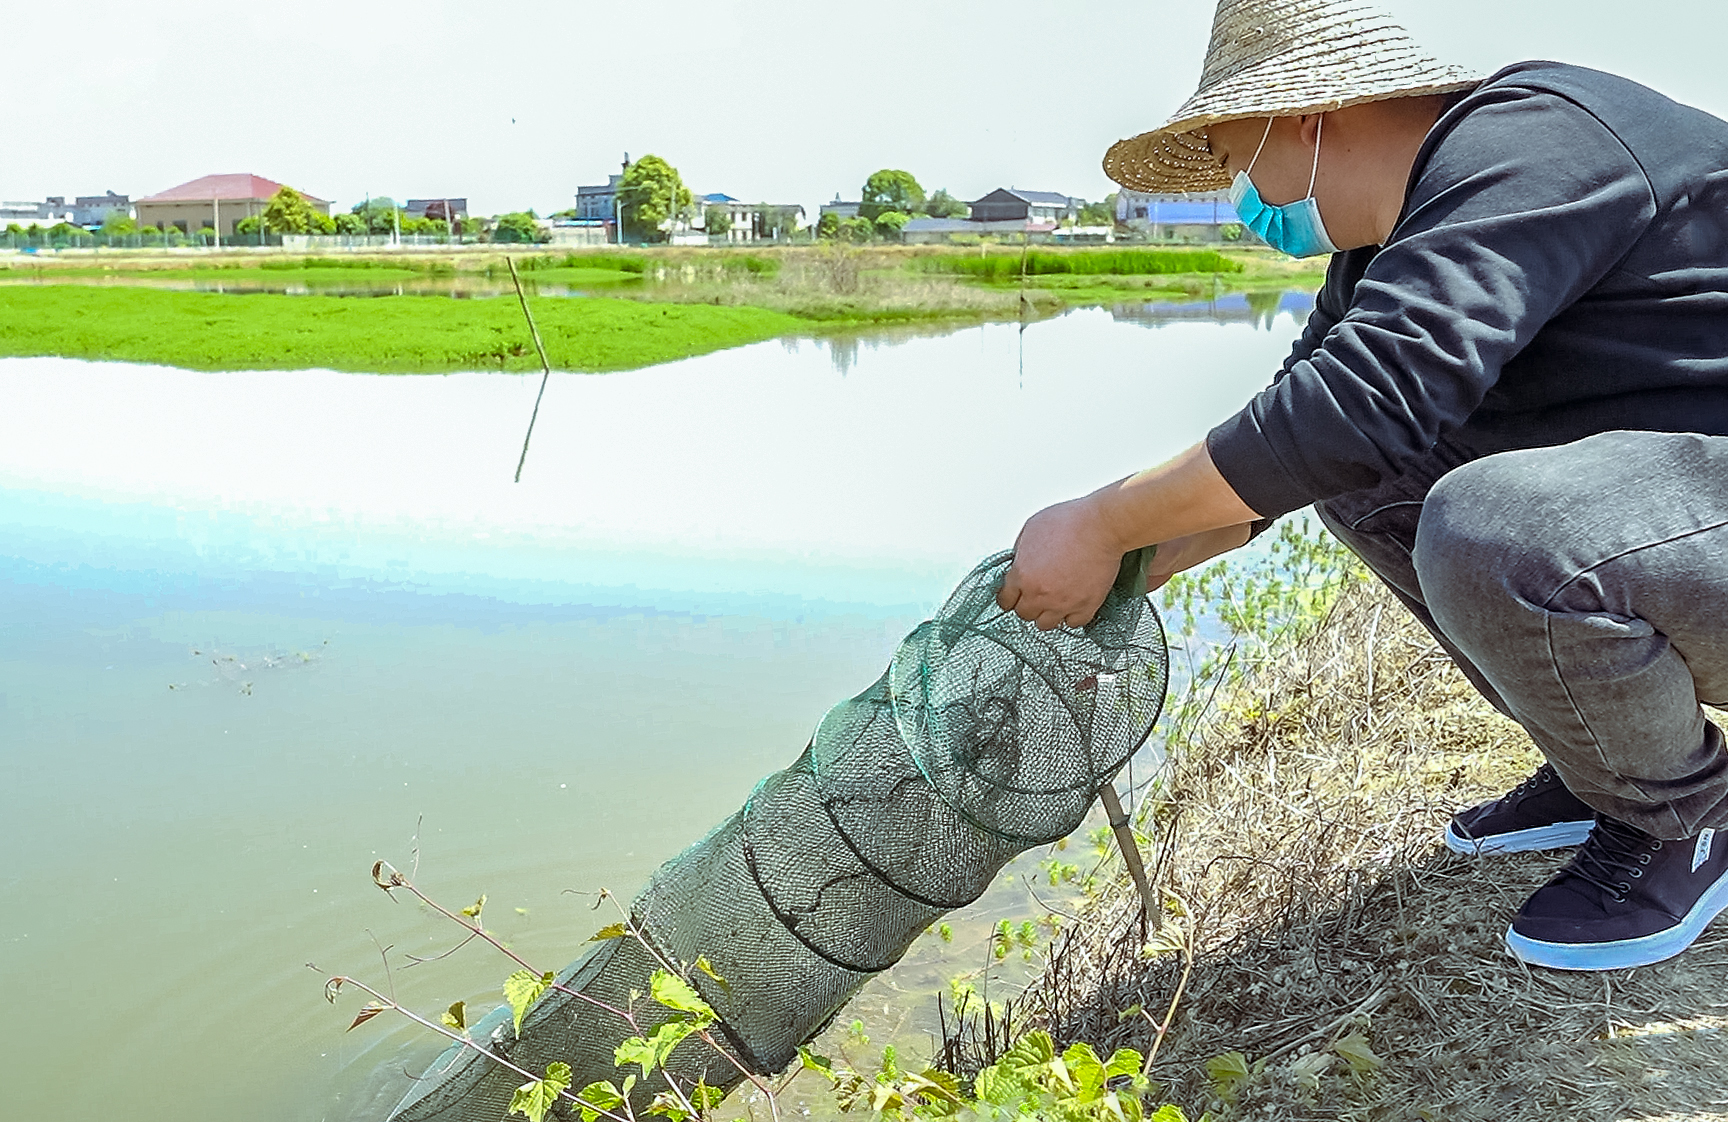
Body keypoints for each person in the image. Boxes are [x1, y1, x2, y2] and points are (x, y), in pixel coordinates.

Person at [997, 0, 1728, 972]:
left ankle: (1690, 813)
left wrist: (1098, 520)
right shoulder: (1385, 247)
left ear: (1302, 118)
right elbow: (1304, 437)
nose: (1239, 197)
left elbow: (1360, 405)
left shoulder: (1528, 141)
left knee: (1490, 525)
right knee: (1365, 487)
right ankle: (1611, 764)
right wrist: (1128, 558)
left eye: (1232, 158)